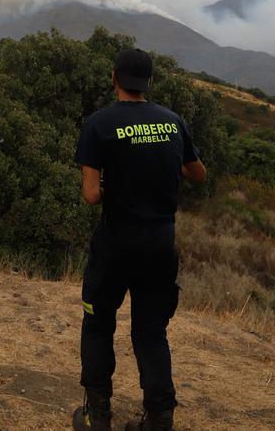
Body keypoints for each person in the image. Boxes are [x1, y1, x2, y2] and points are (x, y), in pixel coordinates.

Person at [71, 48, 207, 431]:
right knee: (151, 331)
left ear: (114, 77)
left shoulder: (99, 124)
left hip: (115, 244)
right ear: (150, 82)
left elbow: (91, 195)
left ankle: (98, 415)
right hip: (160, 244)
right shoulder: (172, 121)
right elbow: (198, 173)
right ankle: (159, 418)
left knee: (98, 324)